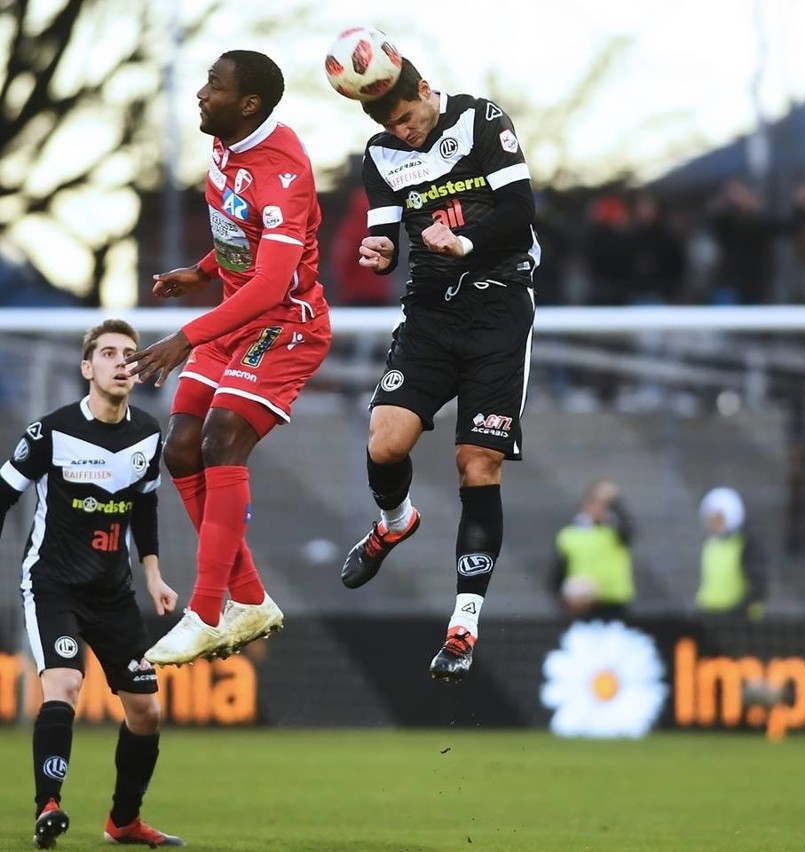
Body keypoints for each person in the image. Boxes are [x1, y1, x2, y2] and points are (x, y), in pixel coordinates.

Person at [122, 50, 331, 665]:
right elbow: (243, 236)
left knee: (221, 441)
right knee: (180, 446)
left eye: (214, 85)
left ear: (249, 105)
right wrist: (203, 270)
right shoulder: (226, 143)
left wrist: (185, 335)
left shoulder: (284, 170)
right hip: (233, 318)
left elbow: (272, 282)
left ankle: (206, 611)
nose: (200, 93)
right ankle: (249, 598)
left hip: (283, 322)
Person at [338, 56, 540, 681]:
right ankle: (394, 523)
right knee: (385, 439)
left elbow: (519, 211)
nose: (403, 132)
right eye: (389, 125)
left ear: (425, 90)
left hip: (499, 307)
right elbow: (384, 238)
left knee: (476, 463)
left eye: (405, 117)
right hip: (430, 312)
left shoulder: (481, 120)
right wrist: (377, 253)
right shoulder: (380, 154)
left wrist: (467, 243)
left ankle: (463, 626)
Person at [0, 319, 183, 848]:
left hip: (112, 591)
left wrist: (152, 572)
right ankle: (47, 806)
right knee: (65, 685)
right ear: (87, 368)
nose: (122, 362)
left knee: (147, 711)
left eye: (129, 353)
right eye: (108, 353)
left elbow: (145, 505)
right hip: (53, 585)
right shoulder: (50, 432)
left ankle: (123, 821)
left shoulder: (148, 434)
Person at [550, 478, 635, 622]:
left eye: (604, 504)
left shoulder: (615, 532)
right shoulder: (570, 534)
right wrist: (564, 598)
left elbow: (628, 529)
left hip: (614, 604)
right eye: (595, 502)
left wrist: (615, 502)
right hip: (581, 604)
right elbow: (557, 572)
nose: (599, 508)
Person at [696, 487, 766, 618]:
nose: (713, 524)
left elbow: (758, 588)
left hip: (739, 621)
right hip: (710, 615)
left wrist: (737, 612)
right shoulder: (710, 544)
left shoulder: (747, 546)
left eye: (718, 519)